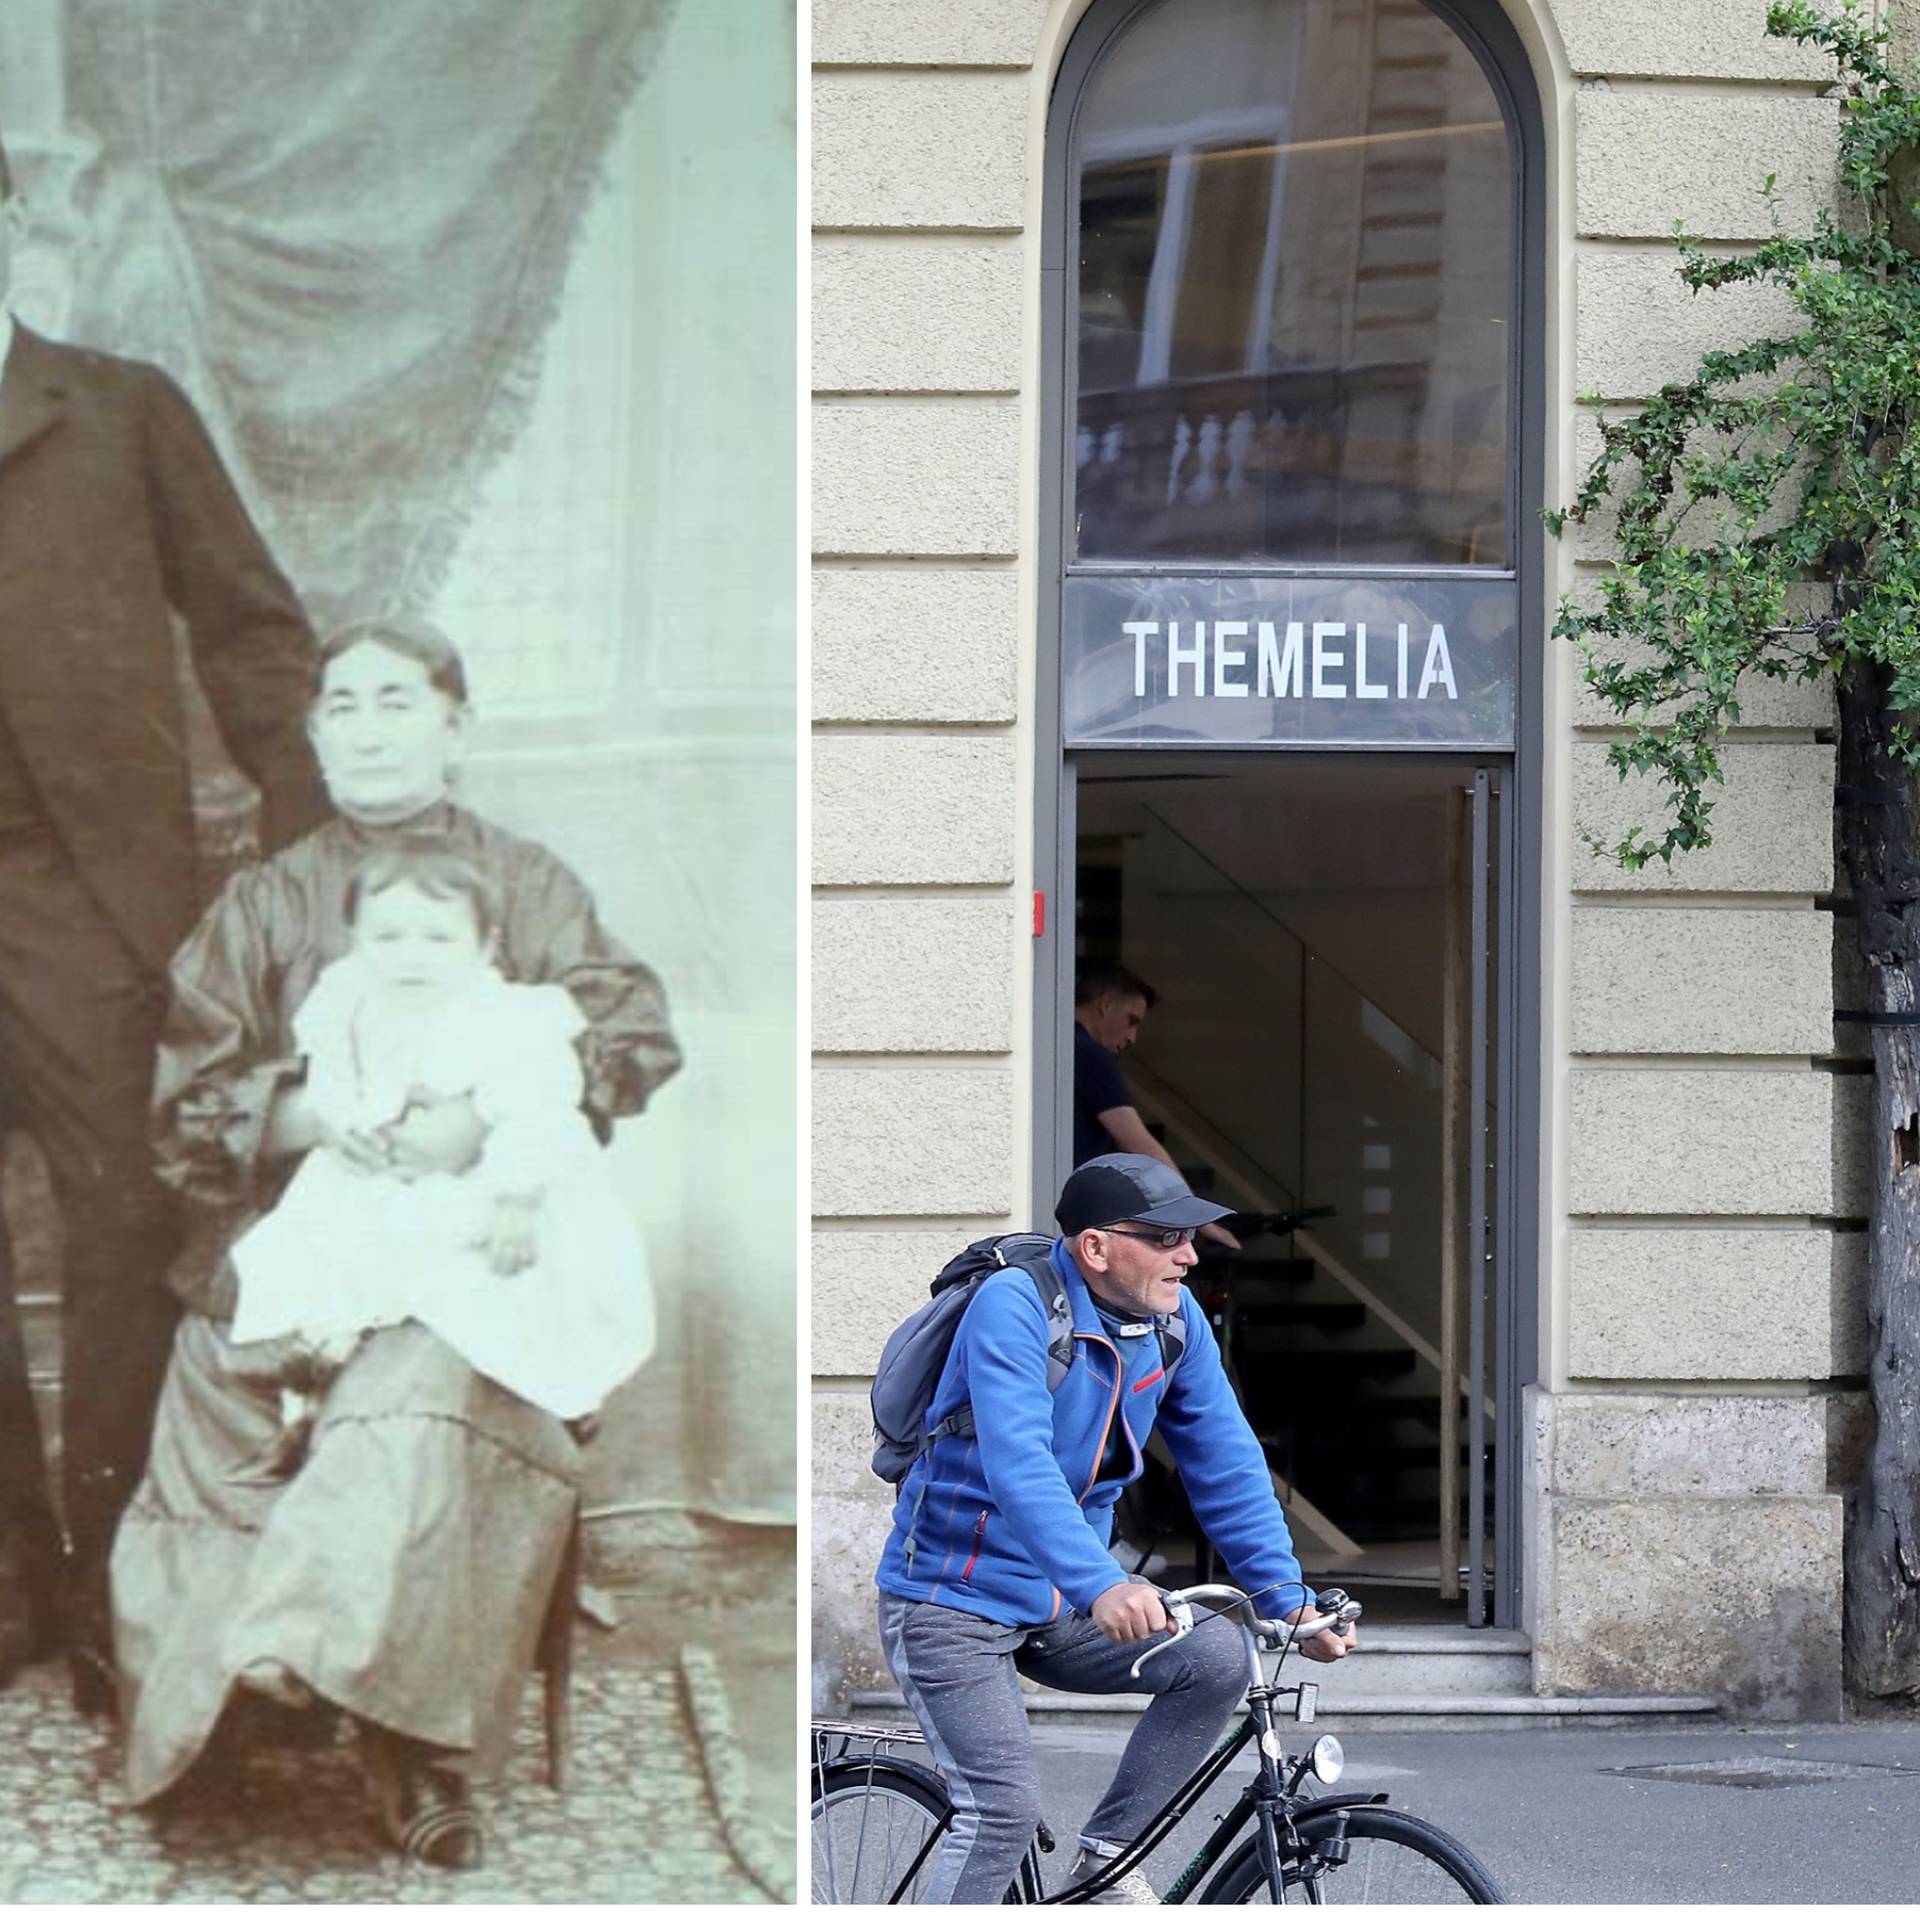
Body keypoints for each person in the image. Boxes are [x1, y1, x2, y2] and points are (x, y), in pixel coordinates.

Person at [109, 616, 681, 1869]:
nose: (369, 727)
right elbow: (186, 1105)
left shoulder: (526, 887)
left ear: (454, 725)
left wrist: (480, 1114)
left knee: (416, 1390)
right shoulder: (263, 901)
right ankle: (226, 1706)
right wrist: (315, 1113)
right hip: (305, 1230)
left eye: (397, 700)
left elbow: (628, 1031)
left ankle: (409, 1742)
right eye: (343, 706)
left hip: (476, 1242)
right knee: (220, 1379)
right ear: (314, 734)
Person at [0, 135, 328, 1707]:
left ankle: (108, 1597)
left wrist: (312, 848)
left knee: (127, 1238)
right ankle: (6, 1596)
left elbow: (252, 627)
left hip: (92, 906)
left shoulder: (117, 410)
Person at [875, 1152, 1355, 1904]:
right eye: (1166, 1239)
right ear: (1095, 1248)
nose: (1189, 1256)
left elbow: (1224, 1460)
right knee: (1001, 1811)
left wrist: (1284, 1596)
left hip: (1061, 1598)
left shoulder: (1173, 1320)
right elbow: (1018, 1463)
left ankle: (1107, 1863)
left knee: (1215, 1656)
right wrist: (1101, 1582)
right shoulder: (1016, 1304)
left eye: (1190, 1238)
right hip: (952, 1600)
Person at [224, 843, 656, 1481]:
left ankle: (560, 1398)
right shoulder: (347, 1003)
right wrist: (339, 1126)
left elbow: (540, 1113)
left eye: (436, 937)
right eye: (388, 937)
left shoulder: (508, 1018)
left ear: (485, 947)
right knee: (305, 1247)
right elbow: (335, 1082)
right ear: (356, 943)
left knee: (488, 1287)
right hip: (376, 1175)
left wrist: (516, 1199)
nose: (410, 956)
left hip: (495, 1180)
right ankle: (305, 1395)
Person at [1074, 967, 1238, 1251]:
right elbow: (1141, 1145)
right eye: (1132, 1021)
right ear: (1106, 1004)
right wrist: (1197, 1218)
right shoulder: (1092, 1056)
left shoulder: (1051, 1044)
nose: (1132, 1037)